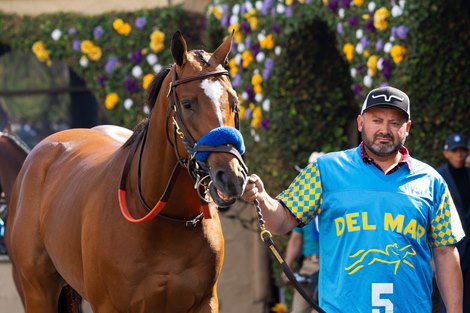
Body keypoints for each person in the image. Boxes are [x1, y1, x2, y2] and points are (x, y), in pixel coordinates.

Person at [242, 86, 465, 313]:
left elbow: (446, 252)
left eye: (395, 122)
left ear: (407, 128)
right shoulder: (324, 170)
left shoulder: (431, 181)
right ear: (361, 123)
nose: (385, 130)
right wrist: (261, 197)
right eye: (376, 120)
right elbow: (281, 221)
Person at [437, 133, 470, 313]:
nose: (459, 155)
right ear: (446, 153)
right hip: (449, 249)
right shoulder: (437, 178)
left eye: (462, 150)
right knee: (449, 300)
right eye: (455, 151)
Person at [281, 219, 320, 313]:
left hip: (330, 265)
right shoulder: (306, 208)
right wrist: (287, 266)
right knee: (298, 310)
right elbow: (296, 238)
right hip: (309, 264)